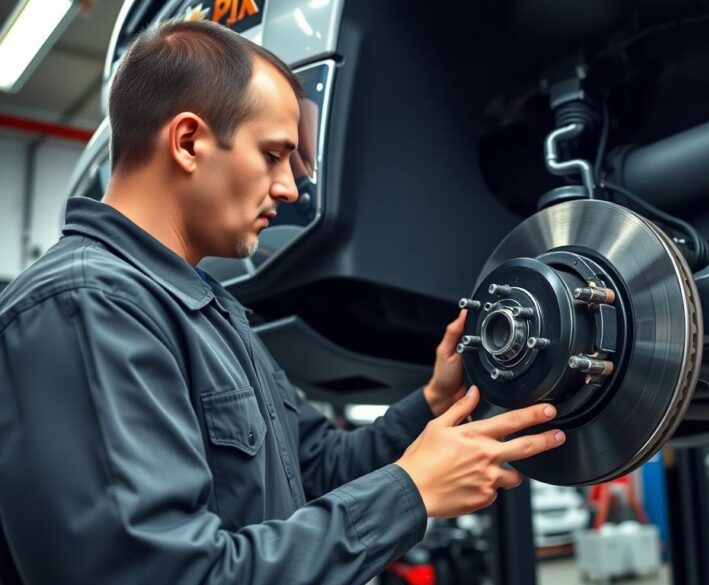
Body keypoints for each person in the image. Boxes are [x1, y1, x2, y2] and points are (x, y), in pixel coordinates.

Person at [0, 19, 564, 584]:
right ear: (189, 141)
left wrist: (431, 402)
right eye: (273, 155)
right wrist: (409, 493)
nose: (290, 188)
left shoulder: (211, 312)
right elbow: (163, 575)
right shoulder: (86, 306)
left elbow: (315, 468)